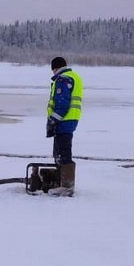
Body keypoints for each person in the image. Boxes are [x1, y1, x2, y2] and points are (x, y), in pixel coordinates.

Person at [46, 57, 82, 196]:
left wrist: (52, 120)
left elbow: (62, 104)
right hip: (70, 120)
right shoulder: (73, 77)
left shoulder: (63, 79)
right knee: (61, 152)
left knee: (63, 152)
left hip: (64, 121)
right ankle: (63, 182)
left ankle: (66, 187)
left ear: (55, 68)